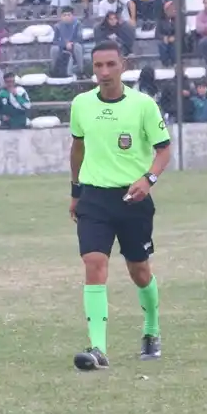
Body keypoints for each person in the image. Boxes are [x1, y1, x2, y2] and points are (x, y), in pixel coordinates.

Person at [69, 41, 171, 371]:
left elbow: (164, 151)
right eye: (98, 66)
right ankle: (97, 348)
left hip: (132, 199)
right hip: (94, 198)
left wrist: (148, 180)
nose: (104, 72)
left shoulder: (143, 105)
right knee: (94, 263)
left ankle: (151, 328)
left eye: (110, 65)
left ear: (122, 65)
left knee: (139, 271)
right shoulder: (81, 104)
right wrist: (75, 191)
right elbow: (78, 149)